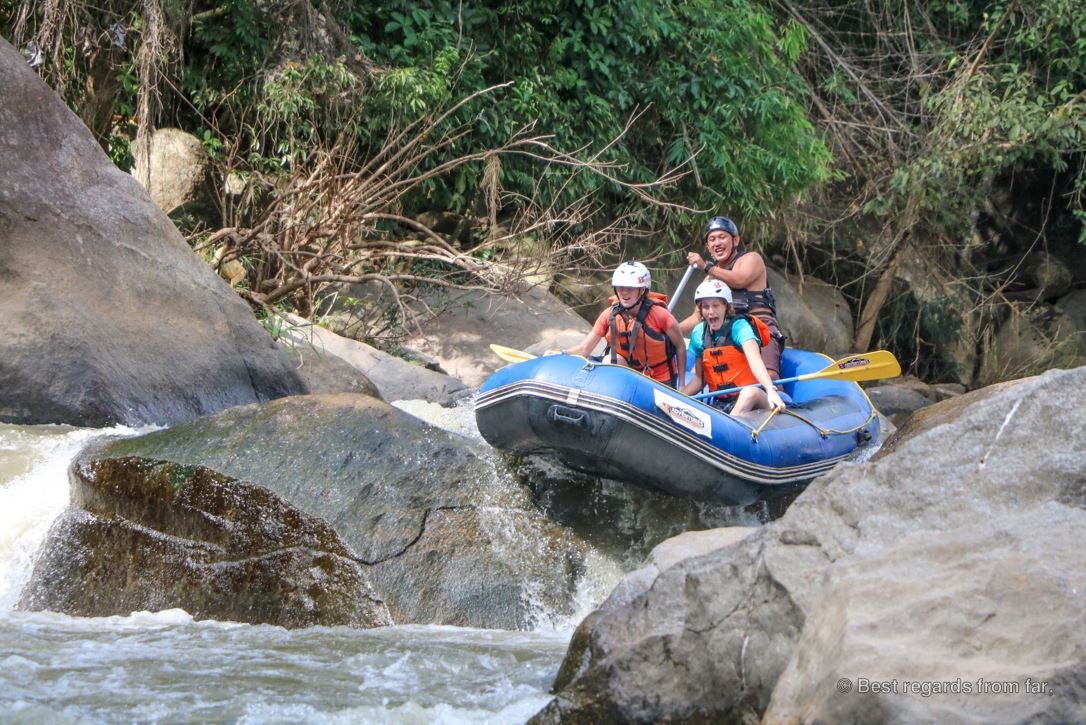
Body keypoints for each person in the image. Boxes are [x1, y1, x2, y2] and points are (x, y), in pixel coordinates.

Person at [681, 215, 785, 380]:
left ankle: (778, 399)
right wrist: (671, 330)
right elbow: (698, 316)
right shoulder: (710, 279)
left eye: (722, 237)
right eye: (712, 239)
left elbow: (739, 279)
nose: (717, 243)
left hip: (759, 328)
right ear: (708, 246)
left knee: (769, 375)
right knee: (698, 375)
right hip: (727, 335)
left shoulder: (751, 259)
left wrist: (707, 266)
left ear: (735, 241)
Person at [563, 261, 687, 388]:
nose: (624, 292)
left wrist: (682, 385)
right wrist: (561, 354)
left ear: (642, 290)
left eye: (630, 288)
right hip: (631, 375)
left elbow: (680, 346)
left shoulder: (660, 315)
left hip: (660, 378)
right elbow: (584, 349)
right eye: (620, 287)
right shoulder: (609, 315)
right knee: (609, 360)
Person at [680, 279, 785, 416]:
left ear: (725, 306)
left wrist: (771, 389)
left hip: (756, 398)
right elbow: (700, 379)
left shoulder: (740, 327)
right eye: (705, 307)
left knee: (748, 393)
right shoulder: (699, 333)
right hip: (722, 402)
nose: (711, 312)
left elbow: (756, 362)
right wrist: (677, 396)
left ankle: (728, 425)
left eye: (716, 305)